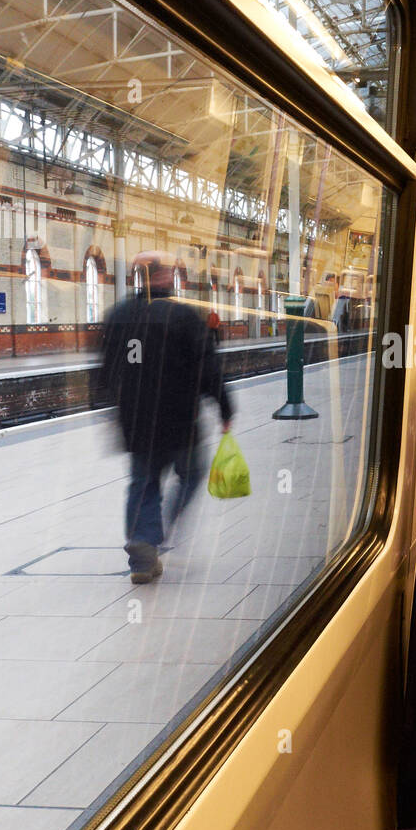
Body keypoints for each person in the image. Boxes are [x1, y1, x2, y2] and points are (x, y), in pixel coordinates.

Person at [99, 250, 234, 584]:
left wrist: (109, 412)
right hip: (180, 420)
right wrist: (224, 407)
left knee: (143, 483)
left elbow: (104, 372)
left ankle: (143, 548)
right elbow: (208, 367)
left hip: (136, 421)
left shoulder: (118, 316)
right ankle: (159, 528)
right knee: (192, 473)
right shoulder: (184, 316)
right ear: (162, 276)